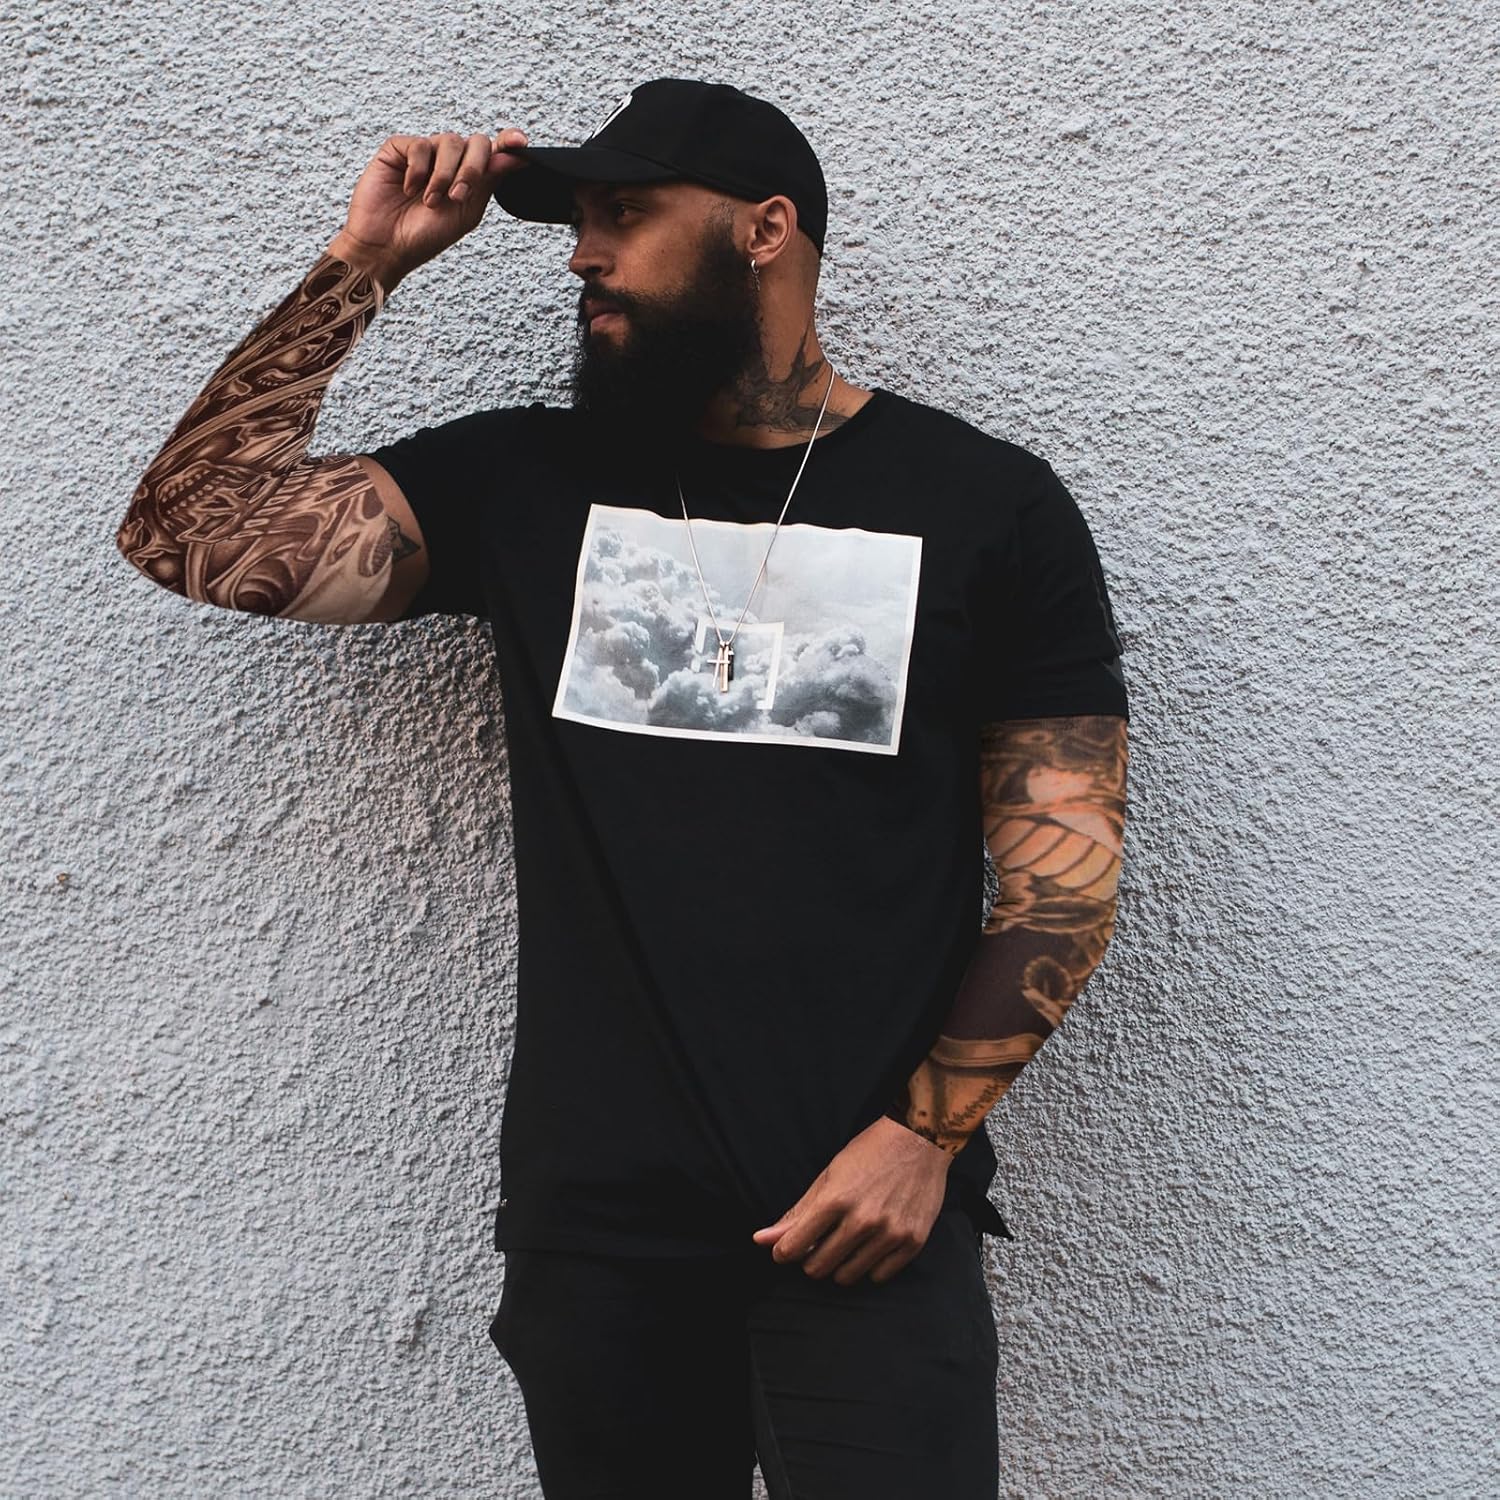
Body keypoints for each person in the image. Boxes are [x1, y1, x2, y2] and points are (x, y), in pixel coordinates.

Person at [116, 77, 1130, 1500]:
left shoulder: (984, 505)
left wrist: (925, 1140)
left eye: (627, 214)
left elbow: (1062, 874)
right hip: (601, 1236)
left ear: (765, 230)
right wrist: (364, 266)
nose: (585, 254)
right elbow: (190, 533)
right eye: (578, 221)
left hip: (865, 1216)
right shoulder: (529, 481)